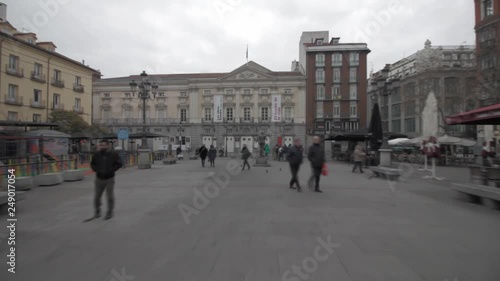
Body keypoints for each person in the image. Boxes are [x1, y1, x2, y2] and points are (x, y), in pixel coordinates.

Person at [88, 139, 123, 221]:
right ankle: (97, 212)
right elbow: (92, 163)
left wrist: (112, 170)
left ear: (108, 145)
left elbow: (119, 164)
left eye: (103, 145)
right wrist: (96, 170)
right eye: (100, 145)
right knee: (97, 197)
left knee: (110, 196)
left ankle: (110, 212)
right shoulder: (96, 154)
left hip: (109, 178)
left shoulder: (114, 154)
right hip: (99, 178)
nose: (101, 147)